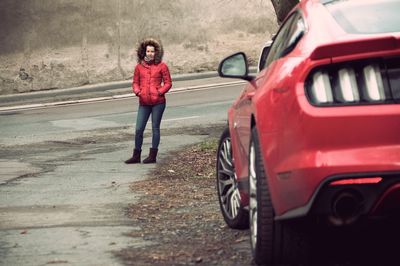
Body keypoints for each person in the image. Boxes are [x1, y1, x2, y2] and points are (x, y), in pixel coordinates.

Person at [125, 38, 172, 164]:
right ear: (144, 52)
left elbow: (168, 83)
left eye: (152, 51)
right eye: (148, 51)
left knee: (155, 128)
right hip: (144, 103)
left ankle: (152, 156)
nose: (150, 53)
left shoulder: (162, 66)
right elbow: (135, 82)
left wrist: (159, 92)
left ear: (156, 52)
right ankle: (136, 155)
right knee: (139, 129)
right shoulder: (139, 67)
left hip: (158, 103)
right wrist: (137, 91)